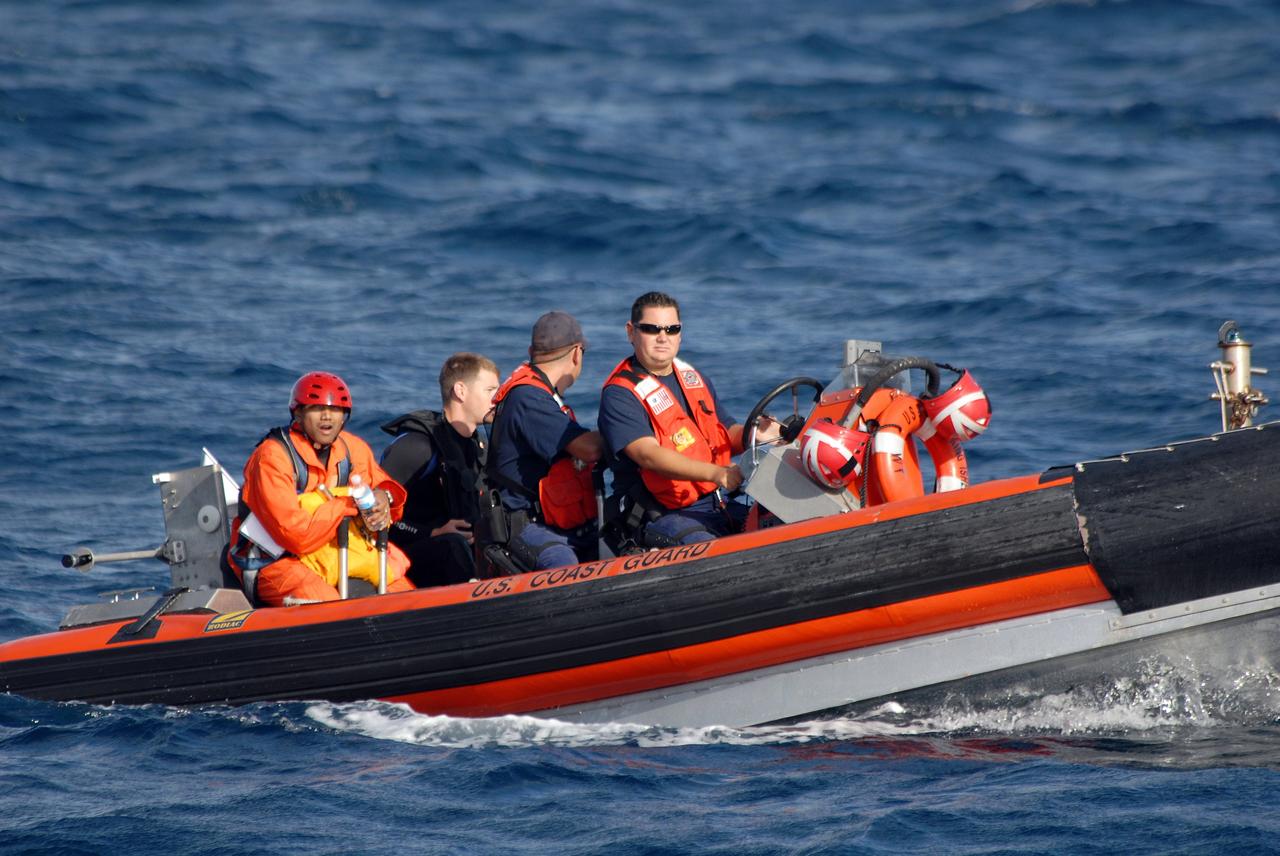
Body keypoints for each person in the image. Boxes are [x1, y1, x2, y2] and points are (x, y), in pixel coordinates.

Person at [598, 291, 779, 548]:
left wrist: (758, 434)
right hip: (660, 515)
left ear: (680, 334)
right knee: (714, 551)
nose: (663, 337)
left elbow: (726, 433)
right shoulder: (620, 394)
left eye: (671, 329)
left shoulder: (693, 378)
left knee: (782, 522)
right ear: (631, 332)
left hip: (716, 503)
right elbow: (648, 455)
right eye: (652, 329)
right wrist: (717, 473)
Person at [227, 371, 415, 606]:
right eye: (316, 408)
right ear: (298, 413)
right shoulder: (272, 457)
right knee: (327, 605)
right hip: (279, 561)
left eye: (336, 409)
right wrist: (346, 505)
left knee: (408, 598)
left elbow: (385, 489)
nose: (327, 416)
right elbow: (296, 536)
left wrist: (384, 499)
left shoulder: (352, 449)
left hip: (341, 554)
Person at [487, 311, 605, 570]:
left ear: (532, 351)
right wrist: (626, 430)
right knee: (561, 563)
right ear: (577, 353)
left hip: (555, 521)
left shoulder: (543, 396)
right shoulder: (529, 398)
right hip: (528, 525)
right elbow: (589, 449)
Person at [380, 353, 500, 588]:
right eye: (490, 390)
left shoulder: (477, 449)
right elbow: (373, 515)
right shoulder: (418, 446)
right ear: (461, 391)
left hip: (463, 555)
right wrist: (432, 532)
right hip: (410, 555)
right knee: (452, 545)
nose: (498, 398)